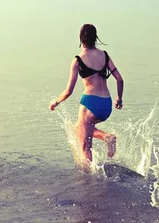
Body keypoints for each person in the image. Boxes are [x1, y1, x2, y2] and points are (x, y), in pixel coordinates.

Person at [50, 24, 124, 170]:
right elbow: (120, 79)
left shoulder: (78, 60)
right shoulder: (105, 55)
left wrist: (56, 101)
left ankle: (90, 183)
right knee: (79, 128)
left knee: (85, 150)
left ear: (80, 38)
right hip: (106, 105)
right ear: (96, 38)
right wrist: (119, 99)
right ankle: (107, 137)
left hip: (90, 104)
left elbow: (68, 91)